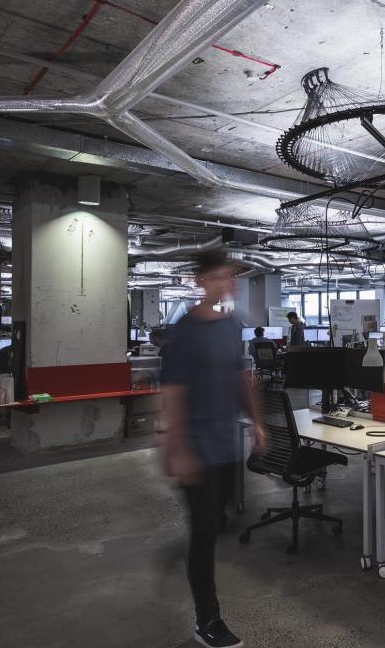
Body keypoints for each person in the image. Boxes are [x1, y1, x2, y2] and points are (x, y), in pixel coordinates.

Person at [161, 250, 265, 648]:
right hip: (198, 446)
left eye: (231, 276)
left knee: (220, 522)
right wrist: (178, 447)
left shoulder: (230, 324)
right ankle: (208, 621)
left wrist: (256, 421)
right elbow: (172, 393)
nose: (228, 282)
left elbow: (241, 376)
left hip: (226, 445)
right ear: (201, 281)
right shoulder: (184, 332)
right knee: (203, 535)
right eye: (220, 276)